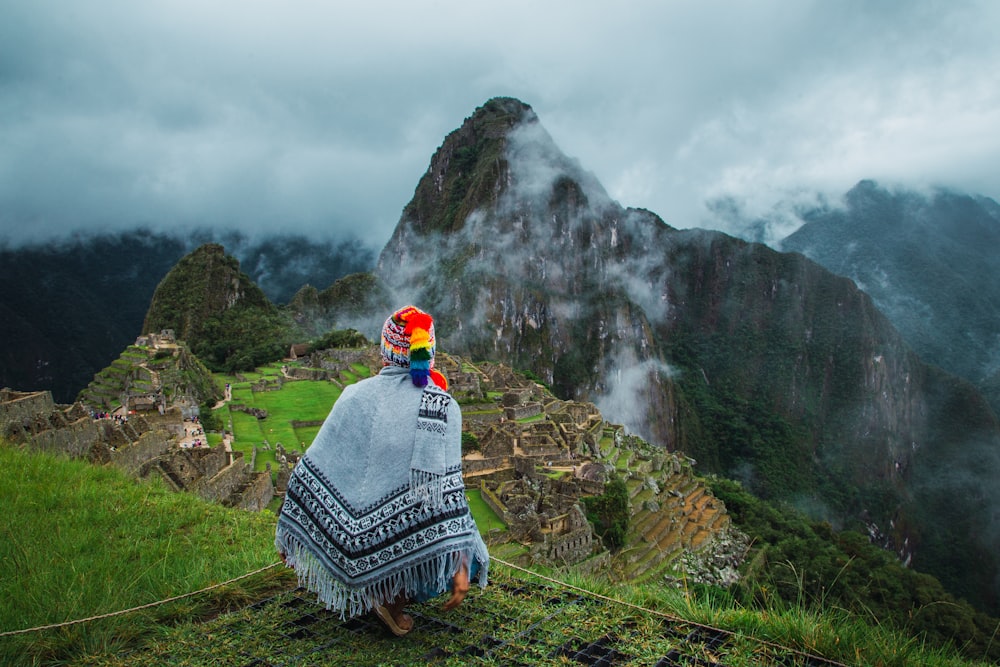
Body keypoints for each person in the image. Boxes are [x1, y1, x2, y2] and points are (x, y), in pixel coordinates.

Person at [275, 305, 489, 636]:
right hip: (398, 545)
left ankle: (367, 587)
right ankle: (392, 599)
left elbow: (312, 468)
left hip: (344, 542)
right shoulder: (440, 406)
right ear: (429, 351)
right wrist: (460, 563)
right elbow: (448, 500)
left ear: (385, 351)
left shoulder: (352, 396)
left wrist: (292, 533)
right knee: (470, 556)